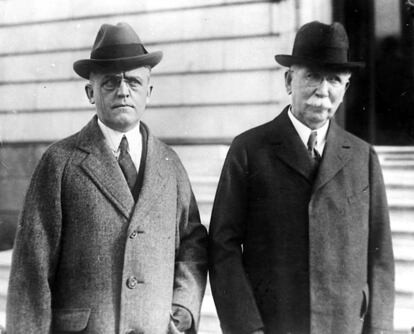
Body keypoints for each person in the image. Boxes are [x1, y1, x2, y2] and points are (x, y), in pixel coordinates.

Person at [6, 22, 208, 334]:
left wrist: (183, 306)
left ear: (149, 92)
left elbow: (193, 242)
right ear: (90, 92)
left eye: (134, 82)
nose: (124, 91)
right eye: (111, 83)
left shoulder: (169, 164)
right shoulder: (60, 162)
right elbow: (32, 269)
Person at [209, 21, 394, 334]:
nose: (322, 90)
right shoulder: (249, 150)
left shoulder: (363, 158)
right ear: (288, 81)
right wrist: (247, 328)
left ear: (346, 89)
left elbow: (380, 257)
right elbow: (222, 248)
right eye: (311, 76)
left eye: (334, 79)